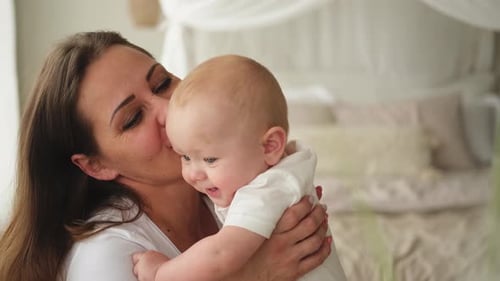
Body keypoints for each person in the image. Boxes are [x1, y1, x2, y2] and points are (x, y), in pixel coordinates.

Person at [0, 31, 332, 281]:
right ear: (96, 165)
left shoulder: (232, 179)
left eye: (162, 84)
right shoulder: (107, 257)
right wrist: (253, 274)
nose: (168, 110)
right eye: (132, 119)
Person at [132, 55, 346, 281]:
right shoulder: (275, 172)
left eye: (210, 159)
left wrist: (160, 273)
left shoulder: (266, 190)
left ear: (270, 146)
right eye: (185, 156)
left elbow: (220, 254)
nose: (193, 174)